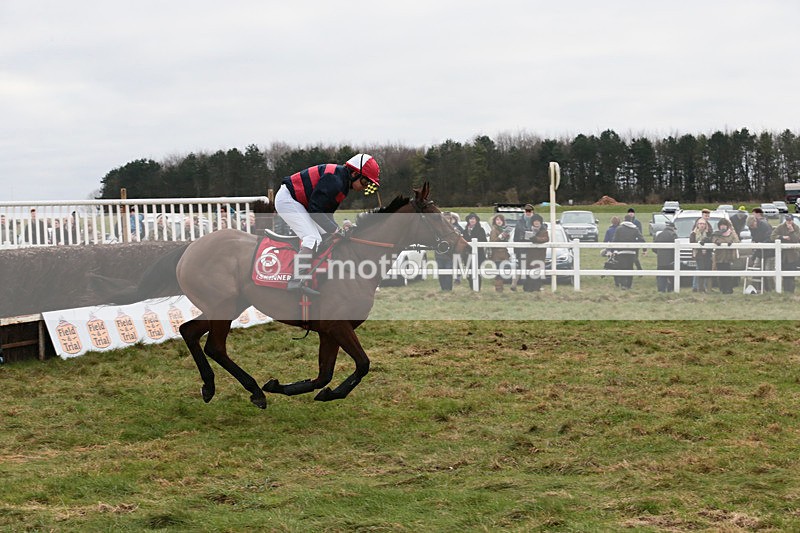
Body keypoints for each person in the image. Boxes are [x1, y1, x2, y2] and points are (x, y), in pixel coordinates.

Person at [275, 153, 380, 292]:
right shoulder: (335, 180)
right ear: (355, 173)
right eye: (365, 182)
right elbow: (315, 210)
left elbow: (326, 214)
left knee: (329, 237)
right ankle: (295, 280)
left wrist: (336, 229)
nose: (365, 187)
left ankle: (319, 277)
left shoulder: (342, 183)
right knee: (312, 238)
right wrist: (336, 230)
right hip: (289, 200)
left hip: (302, 203)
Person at [610, 213, 646, 290]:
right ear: (631, 220)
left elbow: (614, 240)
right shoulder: (635, 229)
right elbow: (642, 240)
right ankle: (629, 285)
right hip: (632, 252)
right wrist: (644, 249)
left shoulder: (619, 229)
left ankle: (623, 284)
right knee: (630, 268)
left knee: (622, 268)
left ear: (624, 219)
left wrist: (612, 250)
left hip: (621, 252)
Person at [771, 214, 800, 293]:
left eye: (790, 220)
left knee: (791, 274)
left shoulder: (796, 228)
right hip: (782, 255)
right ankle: (785, 290)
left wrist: (792, 231)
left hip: (793, 255)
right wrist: (782, 237)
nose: (789, 222)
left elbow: (796, 239)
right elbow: (773, 236)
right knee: (784, 273)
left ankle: (791, 291)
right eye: (787, 220)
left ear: (792, 220)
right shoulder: (780, 227)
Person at [511, 204, 536, 291]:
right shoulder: (519, 222)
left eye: (530, 211)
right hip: (522, 249)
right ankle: (517, 285)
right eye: (527, 211)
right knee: (522, 267)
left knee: (531, 268)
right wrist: (516, 251)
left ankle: (529, 288)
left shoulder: (536, 221)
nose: (528, 213)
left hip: (533, 249)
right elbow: (516, 237)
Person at [712, 219, 739, 294]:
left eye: (724, 225)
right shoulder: (716, 234)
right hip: (720, 256)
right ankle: (722, 289)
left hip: (729, 257)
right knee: (720, 273)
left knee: (728, 273)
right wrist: (717, 242)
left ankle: (729, 289)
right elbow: (713, 239)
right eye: (721, 225)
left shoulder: (731, 233)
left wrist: (731, 242)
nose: (723, 227)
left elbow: (736, 240)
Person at [461, 212, 487, 289]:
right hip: (467, 255)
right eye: (470, 219)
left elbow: (483, 241)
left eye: (473, 219)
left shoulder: (481, 230)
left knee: (477, 273)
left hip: (478, 254)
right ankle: (472, 288)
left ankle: (477, 288)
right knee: (469, 273)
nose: (472, 220)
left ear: (476, 220)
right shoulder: (465, 231)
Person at [523, 214, 549, 292]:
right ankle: (528, 289)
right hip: (529, 255)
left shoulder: (544, 231)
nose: (537, 223)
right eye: (535, 221)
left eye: (538, 221)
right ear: (532, 222)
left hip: (539, 256)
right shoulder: (529, 230)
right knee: (529, 273)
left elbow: (545, 239)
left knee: (537, 273)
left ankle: (536, 289)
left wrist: (535, 238)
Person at [435, 212, 460, 291]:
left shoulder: (454, 229)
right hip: (439, 254)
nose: (447, 220)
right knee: (441, 271)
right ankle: (443, 288)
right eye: (445, 218)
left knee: (448, 270)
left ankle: (448, 288)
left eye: (448, 218)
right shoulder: (437, 229)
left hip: (450, 254)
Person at [488, 214, 512, 292]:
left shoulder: (502, 229)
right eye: (497, 220)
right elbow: (492, 242)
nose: (499, 222)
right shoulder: (494, 230)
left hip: (504, 254)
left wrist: (507, 236)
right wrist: (501, 236)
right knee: (499, 273)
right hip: (497, 255)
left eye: (501, 220)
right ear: (495, 221)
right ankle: (498, 289)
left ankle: (500, 289)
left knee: (503, 272)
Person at [689, 218, 713, 292]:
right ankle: (698, 287)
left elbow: (711, 242)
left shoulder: (709, 233)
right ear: (697, 225)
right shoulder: (693, 234)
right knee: (700, 269)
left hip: (707, 255)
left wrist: (706, 245)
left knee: (707, 270)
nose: (702, 225)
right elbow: (692, 243)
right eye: (700, 224)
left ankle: (706, 288)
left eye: (703, 224)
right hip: (698, 254)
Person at [653, 221, 677, 292]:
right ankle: (670, 290)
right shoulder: (673, 235)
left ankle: (661, 291)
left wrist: (660, 253)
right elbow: (676, 249)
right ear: (673, 228)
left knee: (661, 276)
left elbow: (654, 248)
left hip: (660, 260)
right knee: (672, 276)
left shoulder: (659, 235)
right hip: (671, 260)